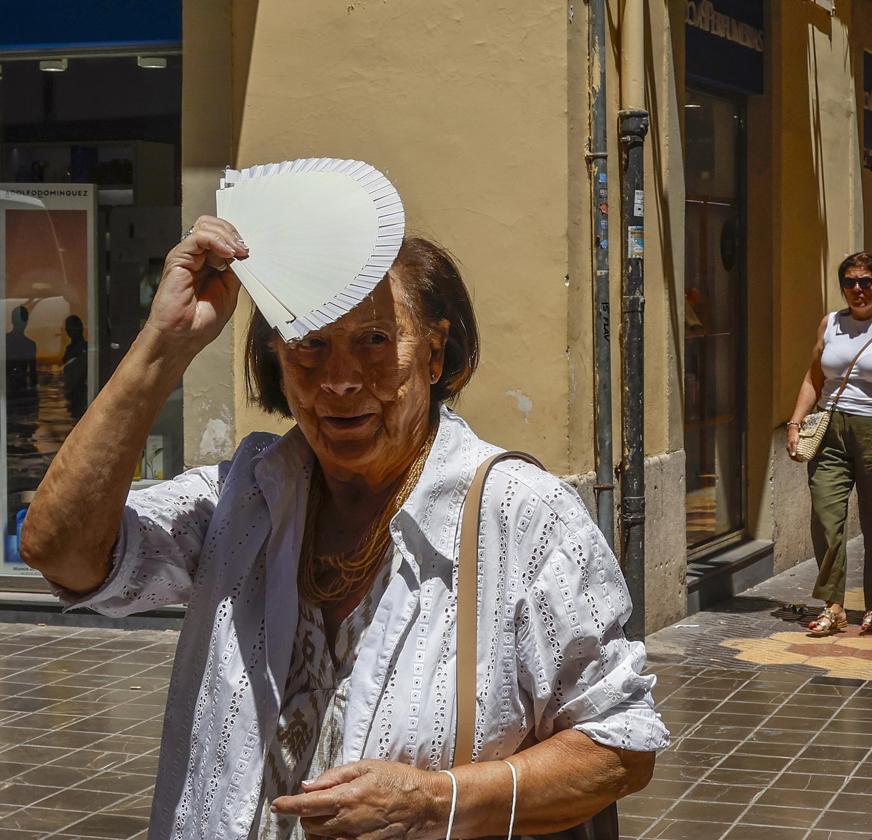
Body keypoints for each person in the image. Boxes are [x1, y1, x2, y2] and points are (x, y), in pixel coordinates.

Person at [19, 217, 667, 839]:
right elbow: (61, 551)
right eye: (311, 344)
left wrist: (436, 804)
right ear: (277, 355)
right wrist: (165, 345)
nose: (340, 380)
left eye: (375, 341)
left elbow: (621, 745)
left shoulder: (525, 519)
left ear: (435, 353)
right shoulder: (244, 497)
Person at [785, 252, 872, 635]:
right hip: (830, 429)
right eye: (850, 283)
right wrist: (795, 423)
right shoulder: (830, 324)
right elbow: (814, 379)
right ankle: (834, 605)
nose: (858, 290)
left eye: (866, 282)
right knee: (826, 516)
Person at [61, 314, 88, 419]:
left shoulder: (86, 348)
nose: (69, 332)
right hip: (72, 392)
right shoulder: (69, 349)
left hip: (82, 392)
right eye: (68, 329)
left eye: (71, 329)